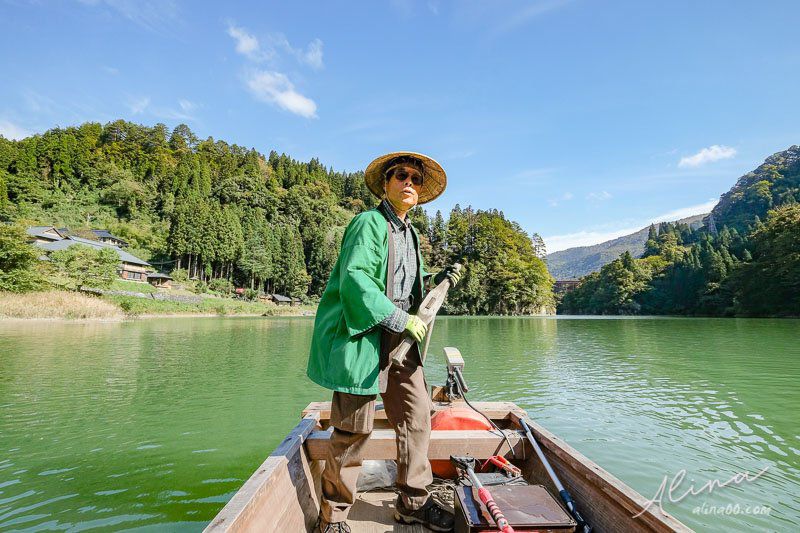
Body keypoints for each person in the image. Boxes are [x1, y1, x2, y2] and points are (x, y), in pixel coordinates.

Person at [306, 151, 462, 532]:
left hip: (403, 340)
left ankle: (413, 502)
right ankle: (335, 516)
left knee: (416, 416)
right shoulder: (368, 224)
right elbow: (357, 279)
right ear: (387, 183)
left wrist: (439, 277)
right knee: (352, 429)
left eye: (416, 179)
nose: (409, 182)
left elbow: (410, 283)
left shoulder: (409, 233)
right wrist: (400, 318)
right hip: (366, 335)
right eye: (401, 175)